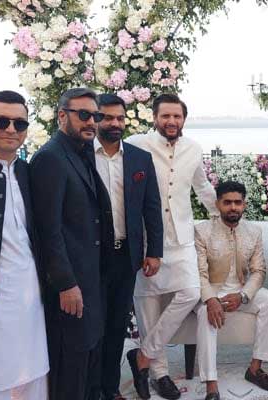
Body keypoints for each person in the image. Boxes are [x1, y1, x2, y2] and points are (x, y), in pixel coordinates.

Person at [125, 93, 218, 400]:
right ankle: (159, 374)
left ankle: (142, 356)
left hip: (181, 238)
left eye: (176, 116)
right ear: (155, 118)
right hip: (145, 238)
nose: (171, 121)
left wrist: (219, 215)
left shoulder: (194, 149)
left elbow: (202, 185)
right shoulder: (136, 144)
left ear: (183, 120)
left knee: (191, 292)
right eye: (165, 116)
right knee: (148, 307)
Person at [30, 88, 113, 400]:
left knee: (89, 366)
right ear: (62, 115)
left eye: (96, 116)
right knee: (69, 371)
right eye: (84, 114)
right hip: (71, 287)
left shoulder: (82, 151)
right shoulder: (50, 158)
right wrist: (65, 283)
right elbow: (48, 230)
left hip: (92, 282)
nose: (91, 121)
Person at [0, 90, 49, 399]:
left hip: (30, 301)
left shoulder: (27, 172)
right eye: (2, 121)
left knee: (33, 379)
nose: (11, 129)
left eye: (20, 123)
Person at [94, 94, 164, 400]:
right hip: (91, 257)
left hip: (127, 257)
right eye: (107, 118)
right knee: (90, 331)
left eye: (120, 118)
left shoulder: (139, 158)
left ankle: (109, 390)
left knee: (114, 329)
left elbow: (152, 208)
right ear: (95, 119)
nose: (114, 123)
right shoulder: (81, 155)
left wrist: (154, 251)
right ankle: (89, 389)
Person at [194, 181, 268, 400]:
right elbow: (199, 273)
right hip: (212, 290)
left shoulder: (254, 231)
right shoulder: (202, 231)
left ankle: (255, 368)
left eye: (237, 202)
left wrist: (243, 296)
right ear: (218, 204)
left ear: (244, 204)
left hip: (241, 290)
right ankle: (211, 383)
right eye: (227, 202)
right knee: (206, 314)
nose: (233, 207)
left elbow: (259, 270)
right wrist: (211, 299)